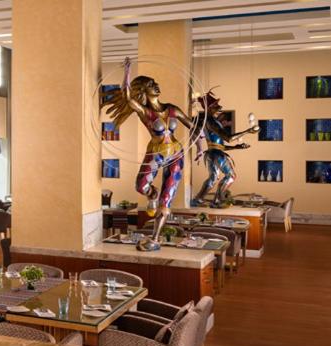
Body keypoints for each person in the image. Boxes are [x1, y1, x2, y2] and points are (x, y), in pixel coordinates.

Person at [101, 57, 198, 250]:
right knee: (141, 185)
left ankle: (154, 238)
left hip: (176, 154)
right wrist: (127, 72)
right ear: (144, 90)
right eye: (152, 85)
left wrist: (201, 146)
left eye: (156, 83)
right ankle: (151, 195)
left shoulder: (172, 109)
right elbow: (128, 98)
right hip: (156, 152)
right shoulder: (144, 112)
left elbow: (194, 127)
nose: (157, 86)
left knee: (167, 197)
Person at [191, 90, 259, 208]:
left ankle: (198, 199)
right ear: (210, 108)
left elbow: (218, 146)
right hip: (216, 154)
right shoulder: (212, 122)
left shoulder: (210, 121)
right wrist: (248, 131)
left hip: (212, 153)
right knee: (231, 176)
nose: (220, 107)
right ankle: (217, 200)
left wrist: (236, 147)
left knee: (213, 178)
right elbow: (228, 138)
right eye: (216, 106)